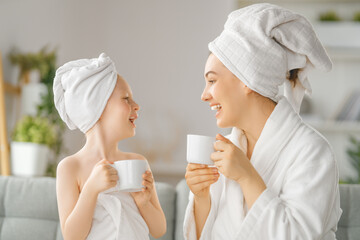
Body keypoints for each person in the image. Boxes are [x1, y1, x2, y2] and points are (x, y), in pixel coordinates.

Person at [184, 3, 342, 240]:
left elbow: (297, 235)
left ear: (247, 79)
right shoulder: (226, 149)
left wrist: (247, 176)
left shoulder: (312, 151)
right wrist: (201, 197)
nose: (204, 95)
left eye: (212, 81)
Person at [54, 53, 166, 240]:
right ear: (96, 108)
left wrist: (143, 203)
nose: (136, 105)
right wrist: (91, 189)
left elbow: (159, 230)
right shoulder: (70, 167)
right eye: (126, 98)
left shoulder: (138, 162)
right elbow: (72, 236)